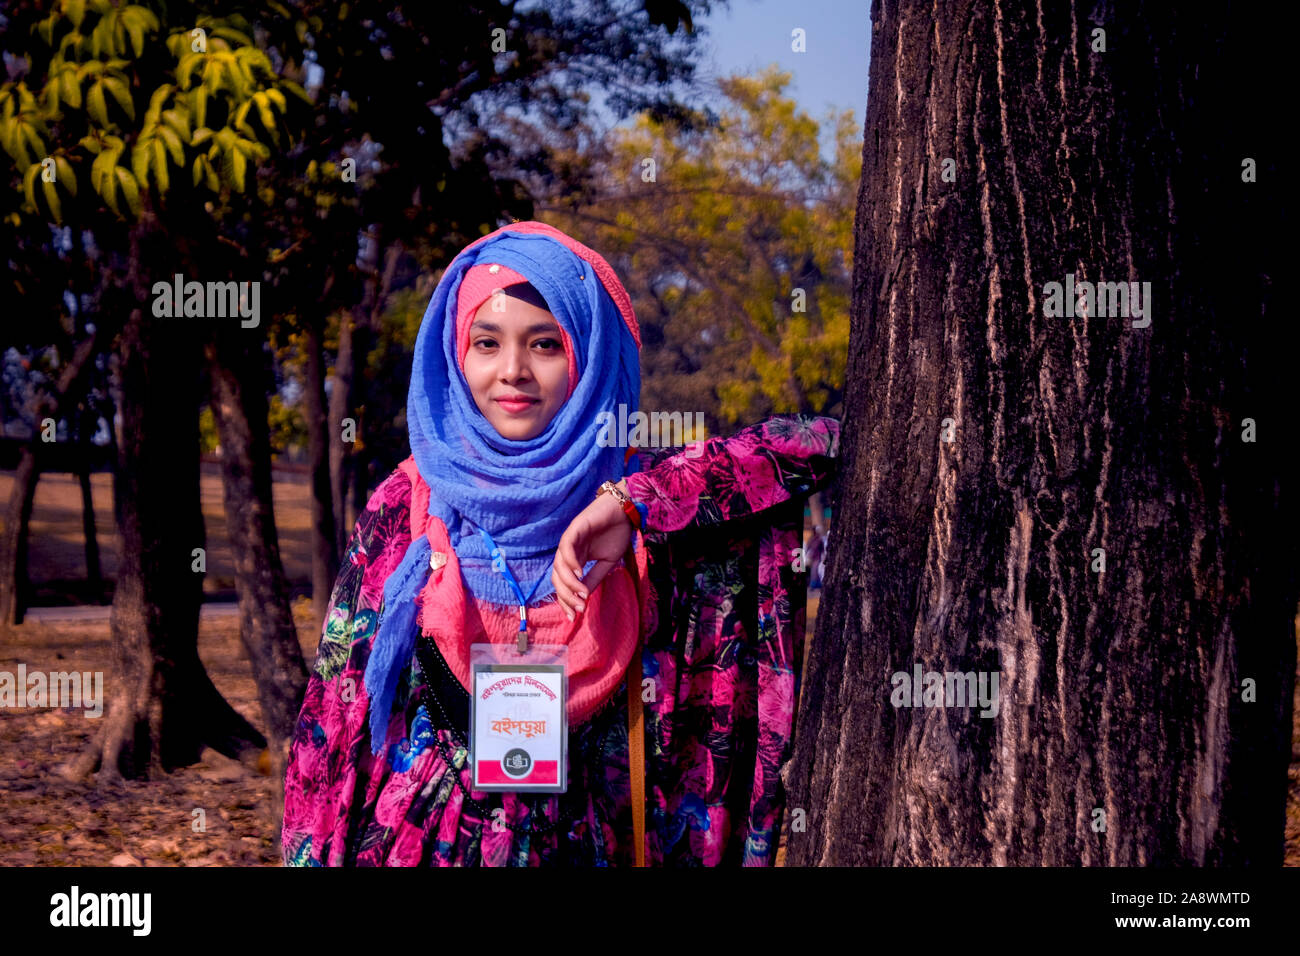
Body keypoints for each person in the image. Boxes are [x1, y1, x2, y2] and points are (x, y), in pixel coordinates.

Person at [281, 220, 840, 866]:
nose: (512, 371)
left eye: (545, 345)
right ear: (455, 354)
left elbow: (818, 444)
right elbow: (332, 723)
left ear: (587, 354)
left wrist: (636, 505)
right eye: (486, 342)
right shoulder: (406, 506)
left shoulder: (638, 496)